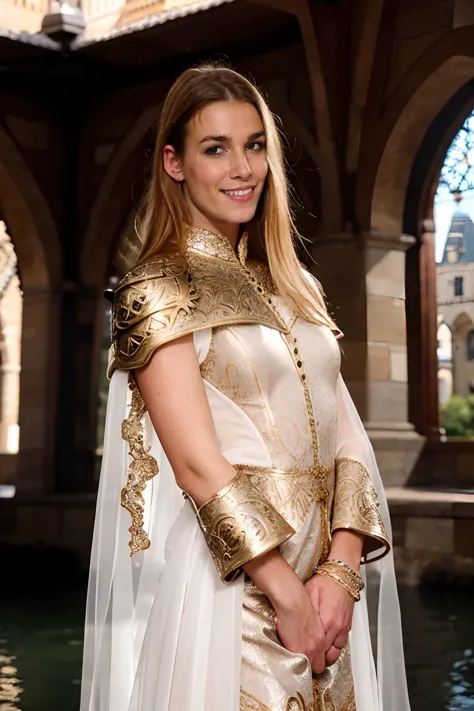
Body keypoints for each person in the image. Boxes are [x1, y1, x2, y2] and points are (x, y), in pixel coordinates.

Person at [80, 64, 411, 711]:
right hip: (232, 597)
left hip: (325, 593)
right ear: (173, 163)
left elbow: (347, 432)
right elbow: (198, 465)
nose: (242, 167)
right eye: (216, 148)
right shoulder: (158, 288)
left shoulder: (297, 285)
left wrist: (341, 573)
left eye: (255, 144)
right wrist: (289, 596)